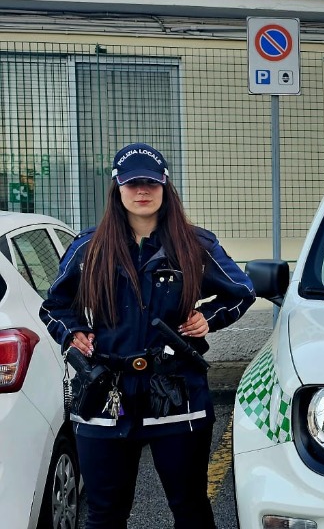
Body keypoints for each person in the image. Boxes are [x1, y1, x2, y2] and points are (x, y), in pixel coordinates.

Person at [40, 142, 255, 529]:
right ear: (117, 188)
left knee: (190, 507)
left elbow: (242, 292)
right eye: (133, 183)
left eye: (151, 183)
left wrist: (207, 318)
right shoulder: (89, 248)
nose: (142, 191)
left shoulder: (195, 245)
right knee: (104, 513)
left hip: (178, 393)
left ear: (165, 186)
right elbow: (53, 306)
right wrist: (73, 333)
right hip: (106, 394)